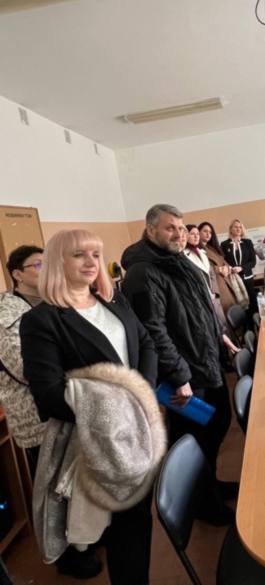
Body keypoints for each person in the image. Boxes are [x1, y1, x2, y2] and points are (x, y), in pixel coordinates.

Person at [20, 230, 159, 585]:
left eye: (96, 254)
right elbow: (48, 395)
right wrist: (118, 405)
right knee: (125, 532)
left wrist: (141, 390)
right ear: (57, 262)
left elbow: (146, 344)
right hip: (98, 441)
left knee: (139, 522)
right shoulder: (42, 320)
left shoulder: (112, 302)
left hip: (137, 432)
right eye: (79, 254)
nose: (91, 262)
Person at [120, 205, 236, 525]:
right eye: (170, 227)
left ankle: (209, 485)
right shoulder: (143, 273)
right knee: (194, 436)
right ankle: (202, 503)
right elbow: (152, 331)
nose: (179, 233)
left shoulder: (176, 261)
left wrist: (220, 335)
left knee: (217, 423)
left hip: (203, 361)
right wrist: (178, 376)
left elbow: (201, 308)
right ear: (151, 230)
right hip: (181, 377)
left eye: (182, 227)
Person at [0, 246, 45, 478]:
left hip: (66, 412)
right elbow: (26, 369)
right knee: (56, 491)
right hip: (37, 419)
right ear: (18, 275)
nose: (46, 269)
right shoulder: (7, 315)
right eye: (38, 265)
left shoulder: (50, 303)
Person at [184, 224, 240, 355]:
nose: (196, 236)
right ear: (185, 236)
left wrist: (214, 293)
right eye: (192, 234)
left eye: (197, 234)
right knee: (213, 332)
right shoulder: (184, 255)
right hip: (202, 299)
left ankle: (229, 356)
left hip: (214, 295)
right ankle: (224, 357)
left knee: (223, 327)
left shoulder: (202, 252)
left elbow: (211, 275)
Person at [221, 219, 258, 321]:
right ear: (231, 229)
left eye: (240, 227)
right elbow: (222, 261)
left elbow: (253, 262)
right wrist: (230, 268)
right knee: (238, 304)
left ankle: (255, 326)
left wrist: (241, 268)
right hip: (233, 279)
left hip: (247, 278)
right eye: (235, 227)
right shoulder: (224, 244)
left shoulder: (248, 242)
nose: (238, 229)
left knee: (251, 304)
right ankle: (243, 328)